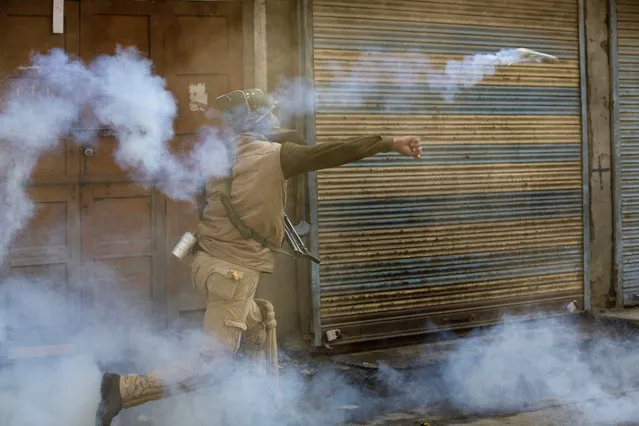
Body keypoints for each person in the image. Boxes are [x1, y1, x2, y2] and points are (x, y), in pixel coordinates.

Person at [95, 88, 423, 426]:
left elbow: (202, 204)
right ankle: (122, 391)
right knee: (211, 363)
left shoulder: (219, 158)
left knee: (261, 321)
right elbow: (333, 152)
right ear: (260, 121)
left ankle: (258, 406)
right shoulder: (273, 155)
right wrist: (388, 142)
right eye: (272, 115)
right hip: (232, 275)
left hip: (204, 265)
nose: (278, 120)